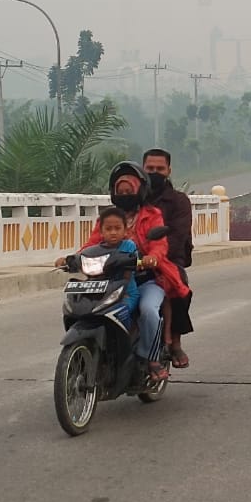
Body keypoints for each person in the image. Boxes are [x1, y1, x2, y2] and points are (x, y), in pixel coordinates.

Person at [78, 162, 188, 383]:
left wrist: (152, 257)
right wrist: (74, 258)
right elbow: (91, 244)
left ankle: (152, 358)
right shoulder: (108, 218)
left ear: (140, 190)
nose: (125, 195)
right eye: (121, 191)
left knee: (148, 311)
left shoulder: (152, 214)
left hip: (147, 279)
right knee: (91, 308)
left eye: (130, 191)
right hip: (111, 280)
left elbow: (160, 244)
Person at [142, 147, 195, 368]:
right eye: (150, 168)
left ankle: (174, 341)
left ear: (169, 170)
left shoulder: (179, 201)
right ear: (142, 169)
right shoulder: (133, 198)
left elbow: (177, 235)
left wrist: (157, 256)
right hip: (134, 257)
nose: (154, 172)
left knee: (178, 285)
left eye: (159, 168)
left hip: (170, 257)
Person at [55, 206, 140, 324]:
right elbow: (82, 258)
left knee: (121, 313)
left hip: (124, 293)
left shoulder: (129, 246)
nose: (113, 232)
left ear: (125, 230)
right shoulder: (96, 250)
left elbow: (127, 276)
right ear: (101, 231)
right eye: (108, 229)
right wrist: (67, 261)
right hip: (101, 294)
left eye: (117, 228)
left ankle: (126, 340)